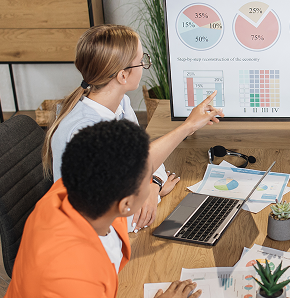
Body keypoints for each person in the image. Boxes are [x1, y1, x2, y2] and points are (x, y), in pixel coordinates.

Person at [0, 120, 203, 298]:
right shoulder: (72, 272)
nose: (153, 181)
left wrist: (153, 185)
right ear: (125, 206)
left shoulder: (73, 188)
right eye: (149, 178)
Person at [42, 24, 220, 232]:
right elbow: (130, 217)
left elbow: (146, 160)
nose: (145, 65)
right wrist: (187, 126)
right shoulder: (84, 132)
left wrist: (153, 185)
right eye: (141, 61)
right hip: (96, 238)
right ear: (123, 76)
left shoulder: (120, 105)